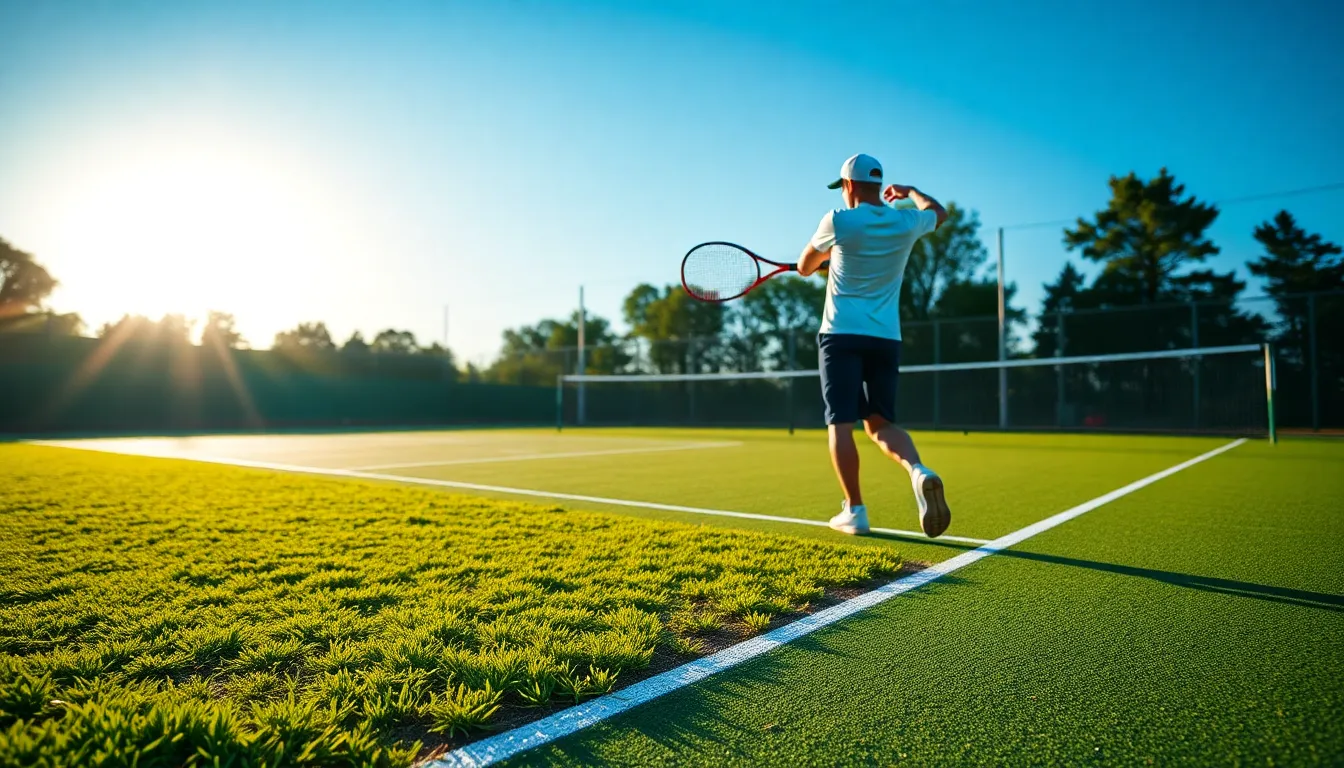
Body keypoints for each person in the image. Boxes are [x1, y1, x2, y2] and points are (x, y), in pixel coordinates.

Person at [795, 153, 952, 538]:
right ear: (880, 186)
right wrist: (912, 191)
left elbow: (804, 266)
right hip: (885, 338)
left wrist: (828, 257)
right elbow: (939, 212)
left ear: (848, 186)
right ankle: (919, 471)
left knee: (841, 425)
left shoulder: (838, 220)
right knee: (881, 423)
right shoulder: (906, 221)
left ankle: (856, 510)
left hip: (840, 337)